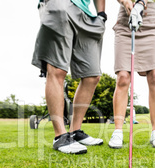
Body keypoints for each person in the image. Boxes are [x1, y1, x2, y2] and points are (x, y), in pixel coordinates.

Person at [32, 0, 107, 154]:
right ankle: (60, 136)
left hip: (88, 15)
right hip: (60, 4)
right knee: (57, 69)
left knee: (92, 76)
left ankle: (75, 131)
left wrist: (101, 15)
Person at [109, 0, 155, 149]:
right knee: (123, 77)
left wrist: (141, 3)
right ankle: (118, 131)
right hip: (125, 21)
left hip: (150, 22)